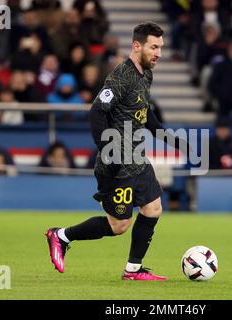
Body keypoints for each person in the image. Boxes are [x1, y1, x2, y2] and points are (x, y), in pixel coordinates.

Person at [45, 22, 188, 281]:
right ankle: (61, 235)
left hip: (136, 159)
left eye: (161, 48)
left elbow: (146, 114)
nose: (159, 53)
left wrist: (173, 140)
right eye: (154, 47)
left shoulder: (146, 74)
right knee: (118, 225)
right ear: (136, 45)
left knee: (153, 208)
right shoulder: (121, 76)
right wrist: (108, 151)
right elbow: (97, 111)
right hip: (118, 163)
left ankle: (133, 270)